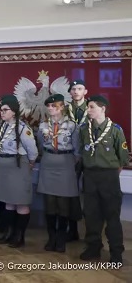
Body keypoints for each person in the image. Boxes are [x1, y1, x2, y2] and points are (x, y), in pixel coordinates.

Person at [78, 95, 128, 263]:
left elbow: (122, 158)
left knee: (112, 215)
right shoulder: (84, 130)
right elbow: (81, 151)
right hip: (90, 176)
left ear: (103, 108)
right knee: (91, 214)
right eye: (88, 107)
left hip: (109, 177)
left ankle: (116, 251)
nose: (88, 110)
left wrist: (110, 173)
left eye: (91, 107)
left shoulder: (115, 130)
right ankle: (93, 247)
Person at [0, 94, 38, 248]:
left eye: (5, 110)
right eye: (1, 110)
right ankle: (9, 232)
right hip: (4, 165)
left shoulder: (23, 128)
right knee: (8, 201)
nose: (2, 112)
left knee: (20, 202)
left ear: (14, 111)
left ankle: (19, 236)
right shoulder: (2, 126)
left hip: (18, 165)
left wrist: (30, 163)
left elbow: (33, 151)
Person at [36, 94, 80, 253]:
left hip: (65, 163)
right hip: (48, 162)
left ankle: (61, 238)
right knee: (49, 203)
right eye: (48, 106)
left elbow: (77, 150)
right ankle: (51, 237)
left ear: (62, 107)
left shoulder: (72, 126)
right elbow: (40, 145)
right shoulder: (43, 125)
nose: (50, 108)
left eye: (54, 106)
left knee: (63, 204)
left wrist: (67, 161)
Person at [65, 79, 88, 241]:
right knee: (71, 192)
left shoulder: (92, 107)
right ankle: (72, 230)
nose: (76, 91)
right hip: (71, 155)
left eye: (79, 88)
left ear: (85, 91)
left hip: (90, 155)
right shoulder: (65, 109)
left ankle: (92, 232)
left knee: (91, 193)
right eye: (73, 89)